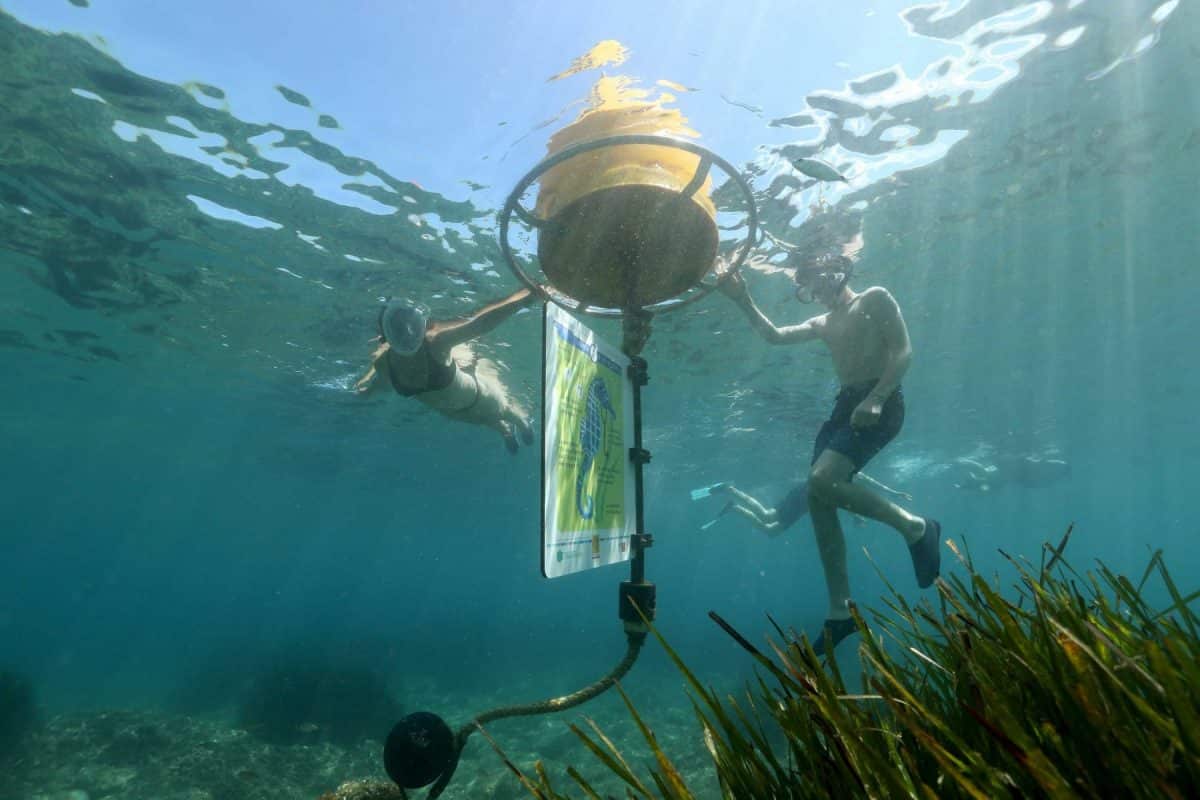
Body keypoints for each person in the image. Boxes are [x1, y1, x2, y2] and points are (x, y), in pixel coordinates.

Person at [719, 252, 941, 652]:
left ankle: (917, 528)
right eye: (806, 286)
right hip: (843, 409)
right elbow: (773, 336)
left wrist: (876, 398)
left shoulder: (874, 298)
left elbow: (903, 352)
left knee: (821, 480)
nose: (813, 292)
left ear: (836, 271)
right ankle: (840, 613)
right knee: (818, 496)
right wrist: (741, 297)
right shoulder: (821, 323)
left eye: (816, 281)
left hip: (881, 403)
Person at [354, 288, 536, 453]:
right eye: (400, 328)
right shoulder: (384, 364)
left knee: (505, 412)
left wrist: (522, 302)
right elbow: (381, 384)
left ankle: (522, 424)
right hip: (454, 412)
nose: (407, 333)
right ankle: (505, 432)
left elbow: (481, 324)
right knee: (491, 423)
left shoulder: (436, 344)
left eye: (409, 326)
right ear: (386, 334)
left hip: (482, 398)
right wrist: (365, 393)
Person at [701, 475, 912, 536]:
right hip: (804, 496)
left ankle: (733, 506)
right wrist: (856, 515)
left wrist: (893, 492)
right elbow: (845, 498)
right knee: (768, 518)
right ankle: (729, 490)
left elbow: (849, 497)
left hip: (804, 500)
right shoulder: (848, 472)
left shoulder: (850, 477)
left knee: (771, 528)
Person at [952, 453, 1071, 492]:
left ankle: (963, 474)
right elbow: (1036, 466)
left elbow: (1033, 481)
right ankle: (962, 462)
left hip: (1010, 476)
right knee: (985, 474)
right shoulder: (1052, 469)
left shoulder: (1051, 472)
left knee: (985, 478)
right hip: (1009, 473)